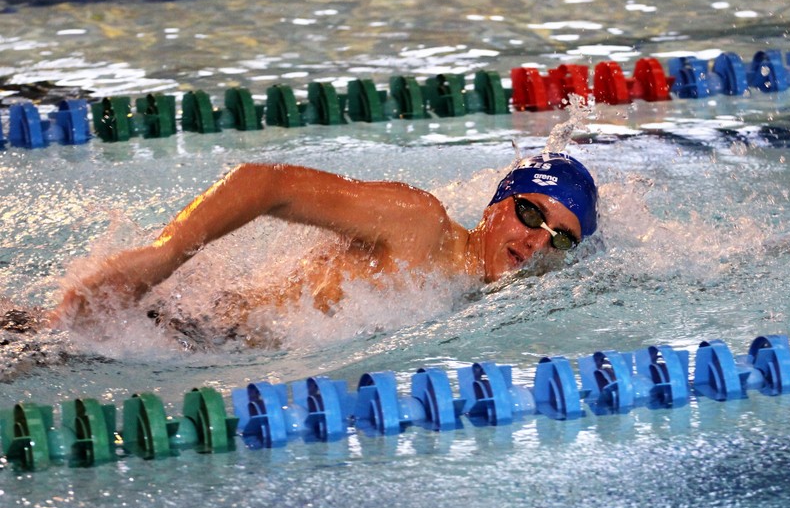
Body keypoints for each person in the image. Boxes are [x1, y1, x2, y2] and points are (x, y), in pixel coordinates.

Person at [51, 152, 599, 332]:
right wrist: (166, 253)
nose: (537, 243)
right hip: (177, 331)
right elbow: (267, 184)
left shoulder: (476, 294)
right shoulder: (420, 224)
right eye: (532, 214)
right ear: (496, 205)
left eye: (560, 240)